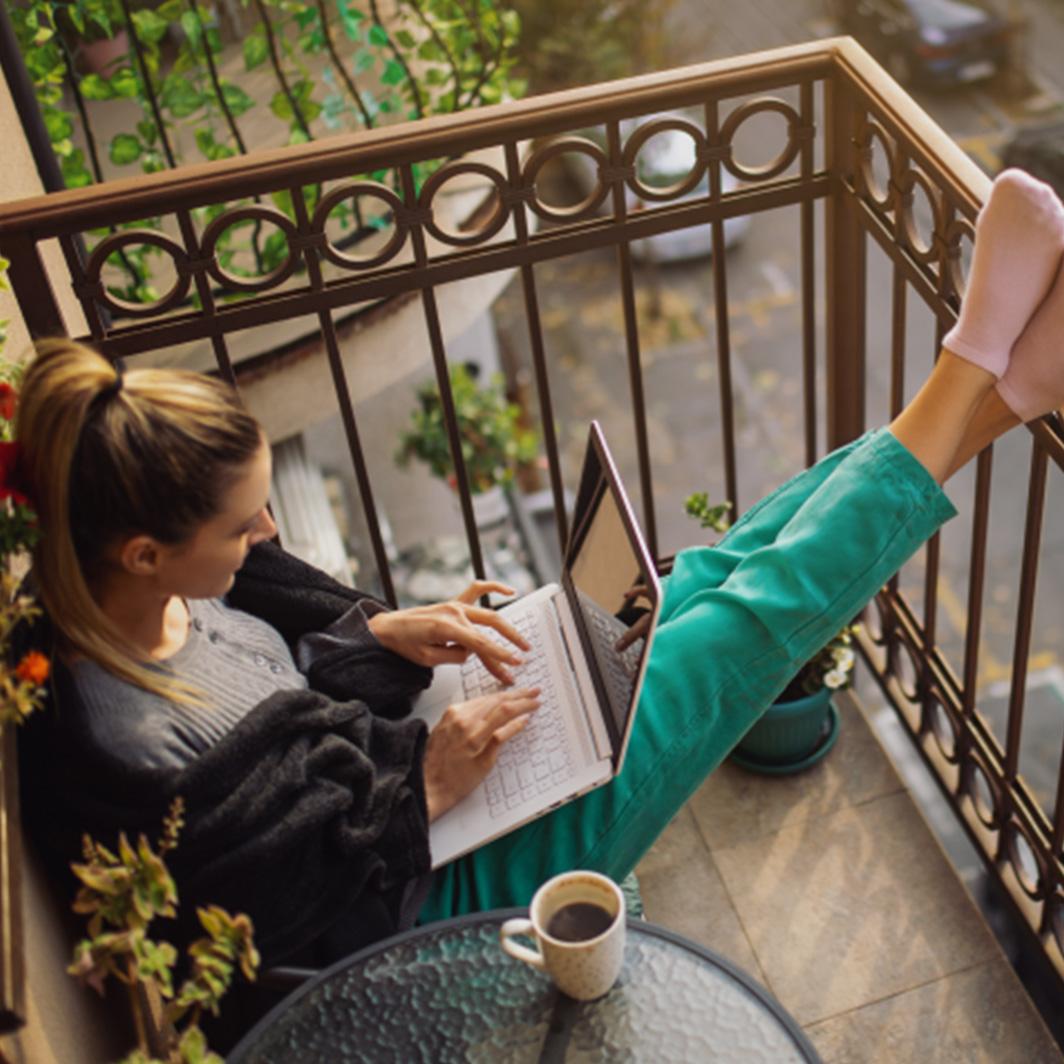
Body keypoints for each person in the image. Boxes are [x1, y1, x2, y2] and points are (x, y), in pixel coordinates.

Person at [16, 169, 1064, 967]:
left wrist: (377, 633)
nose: (264, 538)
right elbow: (293, 918)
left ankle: (1004, 393)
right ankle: (969, 364)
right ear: (146, 552)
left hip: (430, 773)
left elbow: (292, 660)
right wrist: (422, 790)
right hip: (442, 898)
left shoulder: (151, 595)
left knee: (704, 576)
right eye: (242, 527)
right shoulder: (127, 741)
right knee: (737, 630)